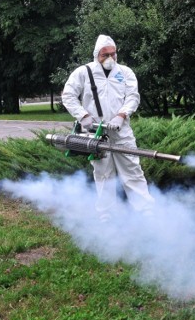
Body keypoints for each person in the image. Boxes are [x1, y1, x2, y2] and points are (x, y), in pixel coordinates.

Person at [61, 34, 155, 221]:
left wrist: (122, 115)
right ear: (97, 55)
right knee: (103, 172)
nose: (110, 58)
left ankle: (145, 209)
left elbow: (133, 97)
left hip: (121, 130)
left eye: (113, 54)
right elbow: (68, 95)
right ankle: (107, 214)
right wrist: (83, 116)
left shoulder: (125, 72)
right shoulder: (83, 72)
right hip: (96, 131)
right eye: (105, 55)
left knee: (132, 167)